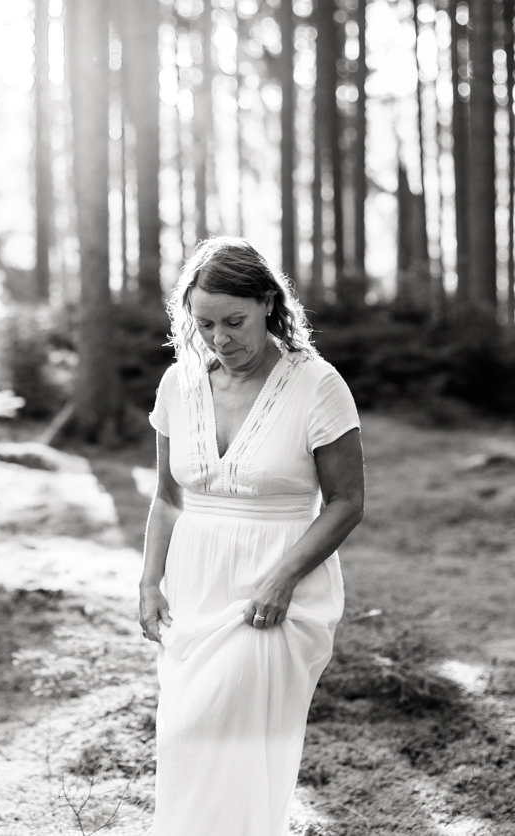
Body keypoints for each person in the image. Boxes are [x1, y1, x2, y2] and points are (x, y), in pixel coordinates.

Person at [139, 236, 366, 836]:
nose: (220, 338)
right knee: (185, 739)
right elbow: (167, 497)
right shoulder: (177, 386)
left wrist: (282, 579)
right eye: (205, 323)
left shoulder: (317, 384)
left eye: (234, 321)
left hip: (276, 588)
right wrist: (148, 582)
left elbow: (347, 501)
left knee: (225, 735)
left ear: (269, 302)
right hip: (194, 587)